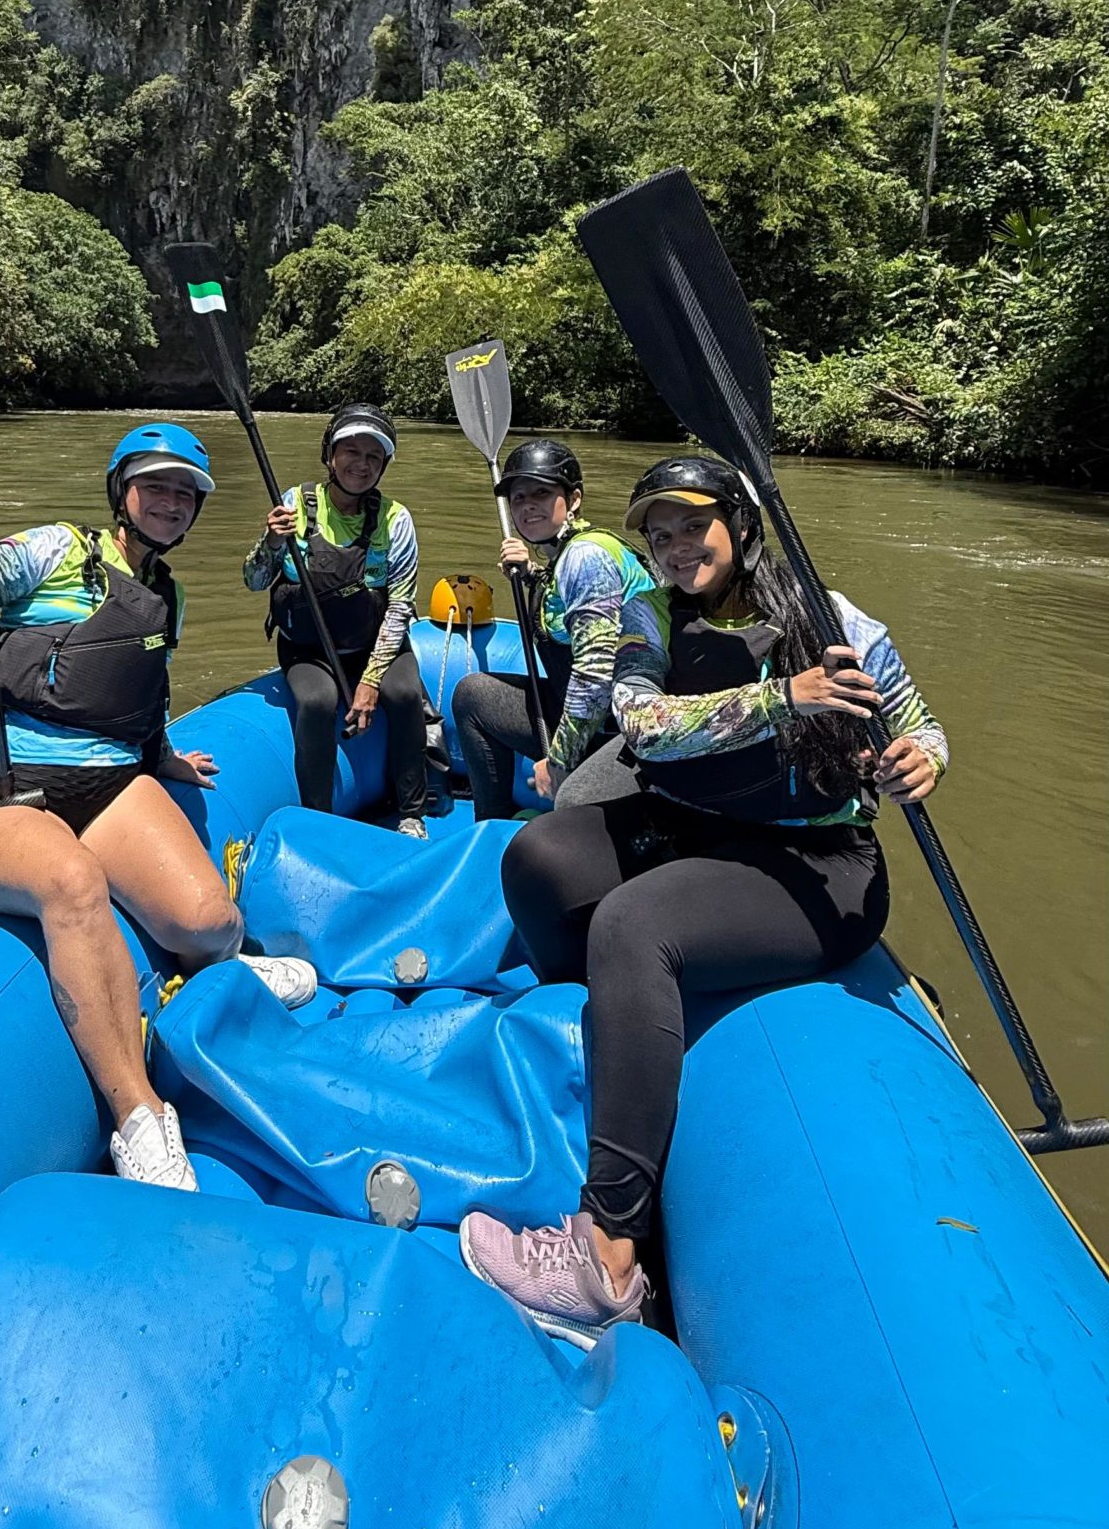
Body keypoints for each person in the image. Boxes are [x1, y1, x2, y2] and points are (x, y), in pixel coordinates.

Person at [459, 452, 948, 1346]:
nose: (677, 547)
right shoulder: (649, 614)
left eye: (695, 526)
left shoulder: (834, 620)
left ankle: (606, 1257)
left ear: (742, 527)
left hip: (815, 858)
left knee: (632, 924)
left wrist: (922, 760)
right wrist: (781, 700)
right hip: (690, 820)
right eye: (661, 534)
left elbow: (921, 726)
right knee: (538, 856)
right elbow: (642, 723)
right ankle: (607, 1038)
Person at [0, 422, 316, 1195]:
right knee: (69, 880)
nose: (171, 502)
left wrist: (163, 755)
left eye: (185, 493)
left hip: (106, 785)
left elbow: (140, 691)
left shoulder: (167, 594)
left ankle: (226, 965)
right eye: (155, 486)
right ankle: (139, 1117)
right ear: (121, 491)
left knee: (210, 921)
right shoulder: (59, 550)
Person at [243, 403, 429, 836]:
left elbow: (400, 605)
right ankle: (319, 819)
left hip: (372, 641)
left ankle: (412, 811)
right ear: (330, 455)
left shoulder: (396, 520)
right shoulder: (294, 503)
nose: (361, 465)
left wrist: (371, 680)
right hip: (309, 647)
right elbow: (254, 581)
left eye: (373, 457)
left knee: (404, 693)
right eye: (352, 452)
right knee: (316, 702)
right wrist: (271, 543)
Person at [451, 439, 654, 820]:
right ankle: (492, 826)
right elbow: (567, 602)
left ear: (573, 499)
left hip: (619, 730)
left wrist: (560, 759)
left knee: (572, 797)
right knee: (472, 695)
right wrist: (531, 574)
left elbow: (595, 673)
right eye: (518, 497)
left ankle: (500, 820)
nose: (527, 505)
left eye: (541, 493)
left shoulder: (586, 556)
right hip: (593, 714)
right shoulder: (568, 553)